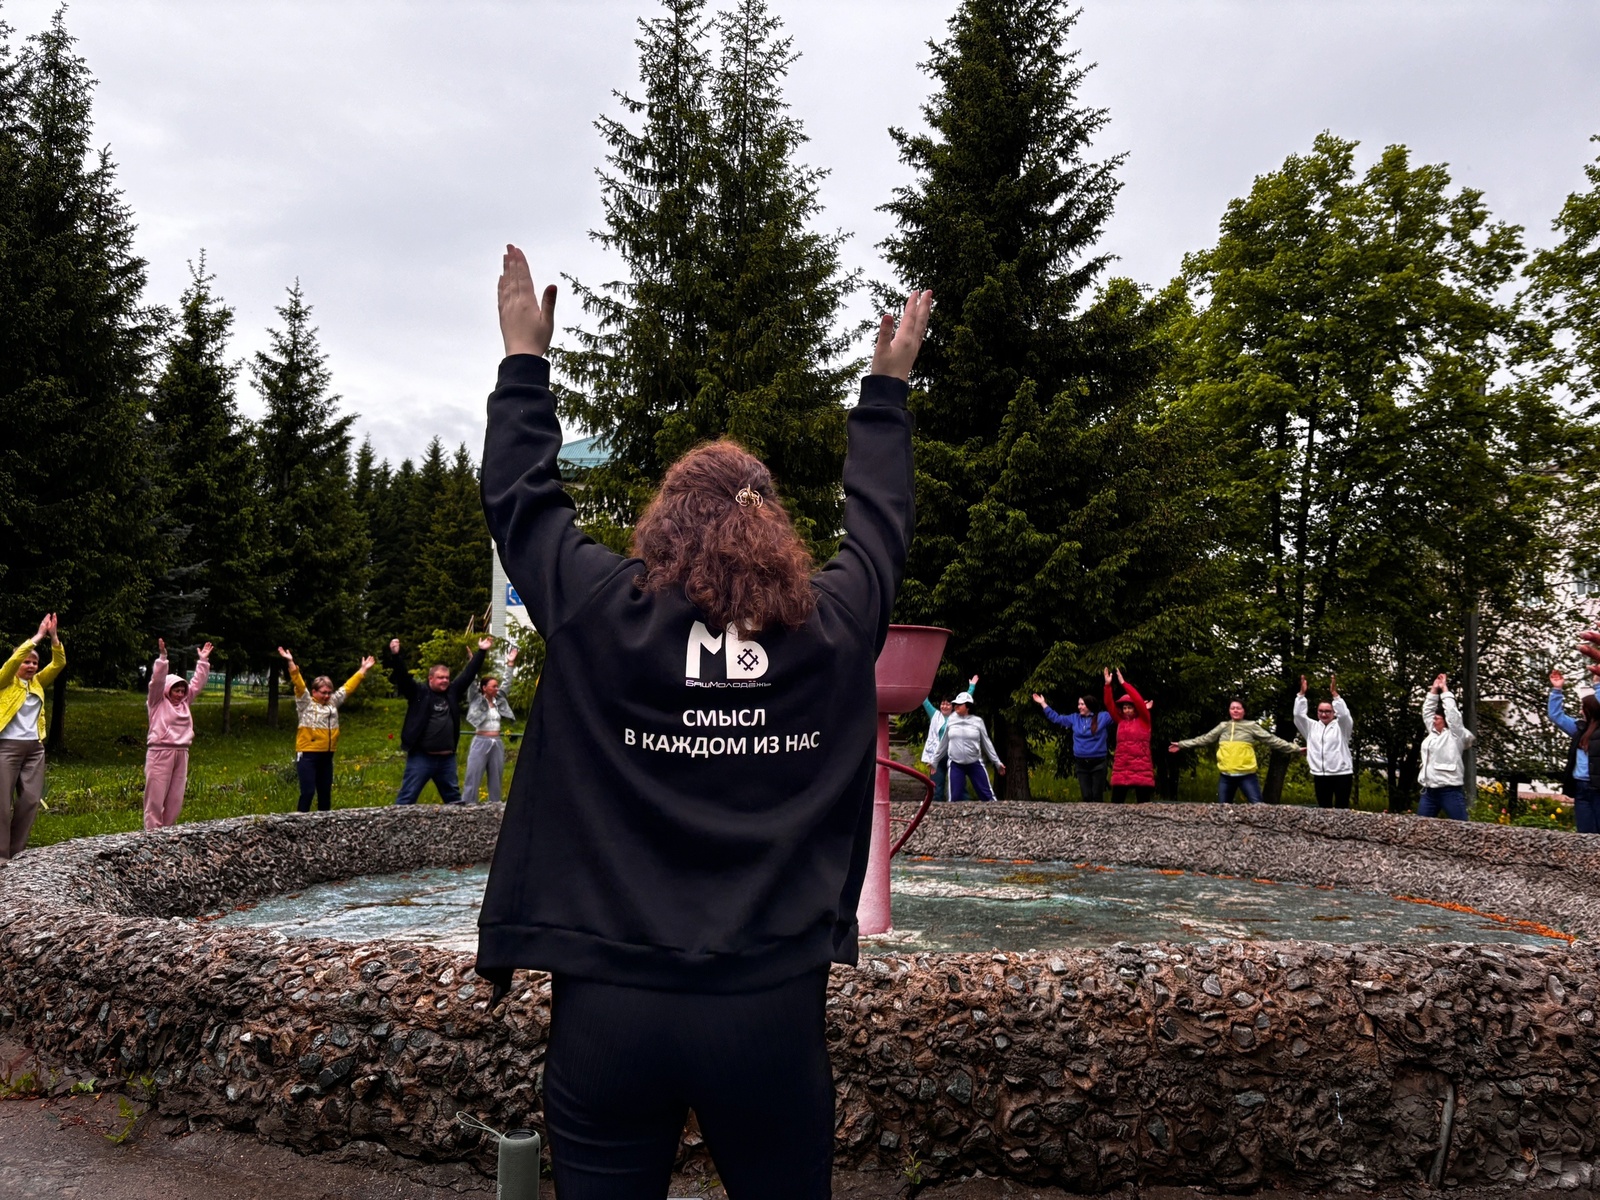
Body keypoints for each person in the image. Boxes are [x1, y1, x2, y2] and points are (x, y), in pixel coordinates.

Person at [474, 245, 926, 1195]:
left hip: (610, 1010)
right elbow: (880, 532)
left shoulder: (604, 610)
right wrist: (883, 394)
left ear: (665, 525)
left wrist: (525, 361)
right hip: (767, 1011)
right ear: (775, 530)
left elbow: (524, 504)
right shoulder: (833, 630)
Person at [387, 636, 488, 806]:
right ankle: (395, 830)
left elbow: (468, 675)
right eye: (440, 678)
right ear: (430, 679)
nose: (445, 681)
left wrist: (482, 652)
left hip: (446, 760)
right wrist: (396, 656)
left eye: (447, 678)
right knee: (406, 800)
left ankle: (458, 831)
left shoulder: (452, 692)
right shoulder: (419, 693)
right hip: (421, 758)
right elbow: (403, 678)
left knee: (454, 802)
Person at [279, 646, 375, 813]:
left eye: (329, 692)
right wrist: (290, 662)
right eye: (323, 693)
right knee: (308, 793)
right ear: (314, 691)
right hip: (308, 754)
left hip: (327, 755)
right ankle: (300, 823)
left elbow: (348, 687)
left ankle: (324, 827)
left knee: (325, 795)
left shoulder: (333, 703)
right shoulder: (305, 703)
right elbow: (299, 683)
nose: (327, 696)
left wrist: (363, 670)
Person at [0, 615, 64, 864]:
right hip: (7, 747)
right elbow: (12, 661)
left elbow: (59, 663)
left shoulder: (37, 683)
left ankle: (16, 852)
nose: (30, 665)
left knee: (30, 800)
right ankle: (1, 856)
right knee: (2, 804)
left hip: (34, 749)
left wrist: (54, 637)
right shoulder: (5, 682)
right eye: (26, 661)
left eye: (34, 662)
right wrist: (37, 636)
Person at [1170, 700, 1300, 804]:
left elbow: (1272, 740)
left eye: (1238, 708)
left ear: (1244, 711)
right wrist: (1181, 744)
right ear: (1229, 711)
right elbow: (1204, 739)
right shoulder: (1223, 726)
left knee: (1259, 807)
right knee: (1223, 810)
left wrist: (1296, 748)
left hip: (1247, 775)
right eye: (1232, 708)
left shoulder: (1251, 726)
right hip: (1226, 776)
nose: (1235, 710)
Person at [145, 638, 212, 830]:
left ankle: (168, 832)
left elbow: (197, 684)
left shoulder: (184, 703)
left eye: (183, 690)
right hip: (160, 752)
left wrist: (203, 662)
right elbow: (156, 682)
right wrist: (163, 658)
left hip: (182, 753)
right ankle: (152, 835)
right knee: (156, 797)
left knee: (176, 797)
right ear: (168, 690)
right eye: (177, 690)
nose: (181, 693)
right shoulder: (157, 702)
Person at [1032, 685, 1108, 803]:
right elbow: (1057, 718)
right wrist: (1043, 703)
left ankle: (1100, 820)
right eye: (1079, 704)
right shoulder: (1074, 718)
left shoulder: (1102, 717)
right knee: (1086, 796)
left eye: (1082, 704)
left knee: (1097, 796)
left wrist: (1140, 707)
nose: (1079, 707)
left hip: (1098, 762)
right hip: (1081, 763)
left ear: (1089, 705)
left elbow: (1118, 714)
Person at [462, 647, 519, 804]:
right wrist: (473, 661)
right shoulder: (476, 699)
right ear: (484, 688)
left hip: (497, 742)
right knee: (473, 775)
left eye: (497, 686)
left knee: (496, 776)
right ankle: (468, 804)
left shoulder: (499, 699)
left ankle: (495, 805)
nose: (497, 688)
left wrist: (510, 663)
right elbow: (471, 681)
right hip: (481, 741)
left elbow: (507, 682)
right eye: (493, 686)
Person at [1546, 669, 1598, 834]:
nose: (1580, 711)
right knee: (1585, 835)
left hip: (1598, 788)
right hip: (1581, 787)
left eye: (1583, 708)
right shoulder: (1579, 729)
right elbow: (1556, 716)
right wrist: (1557, 690)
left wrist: (1597, 684)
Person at [1294, 674, 1355, 809]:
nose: (1324, 714)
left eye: (1328, 711)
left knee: (1342, 809)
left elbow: (1345, 715)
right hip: (1320, 774)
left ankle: (1342, 830)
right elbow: (1298, 716)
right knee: (1323, 810)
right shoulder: (1311, 727)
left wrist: (1335, 696)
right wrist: (1301, 695)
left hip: (1341, 774)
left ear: (1334, 713)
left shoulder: (1342, 727)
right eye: (1321, 711)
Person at [1417, 673, 1474, 820]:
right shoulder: (1433, 733)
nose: (1433, 720)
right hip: (1429, 792)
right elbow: (1427, 711)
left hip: (1449, 791)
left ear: (1445, 720)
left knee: (1462, 828)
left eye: (1437, 718)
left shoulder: (1455, 735)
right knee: (1420, 828)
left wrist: (1445, 690)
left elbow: (1453, 715)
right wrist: (1434, 689)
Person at [935, 692, 1007, 802]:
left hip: (974, 762)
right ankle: (954, 819)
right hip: (956, 764)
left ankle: (996, 816)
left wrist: (997, 762)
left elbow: (986, 743)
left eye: (960, 704)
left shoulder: (977, 722)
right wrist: (934, 761)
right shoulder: (951, 721)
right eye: (955, 704)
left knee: (987, 796)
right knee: (954, 798)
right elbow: (943, 743)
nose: (956, 706)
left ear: (968, 706)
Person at [1103, 668, 1156, 804]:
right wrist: (1108, 685)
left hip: (1141, 769)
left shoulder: (1144, 720)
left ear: (1136, 708)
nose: (1126, 710)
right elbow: (1109, 705)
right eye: (1124, 707)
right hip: (1122, 768)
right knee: (1116, 806)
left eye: (1130, 707)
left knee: (1144, 809)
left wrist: (1123, 683)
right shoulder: (1120, 721)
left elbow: (1138, 700)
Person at [922, 674, 977, 802]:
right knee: (936, 785)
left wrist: (972, 687)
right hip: (938, 755)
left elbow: (966, 701)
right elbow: (924, 701)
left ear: (952, 706)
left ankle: (963, 806)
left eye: (947, 704)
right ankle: (934, 807)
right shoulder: (935, 715)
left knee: (958, 784)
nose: (944, 706)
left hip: (954, 755)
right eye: (942, 704)